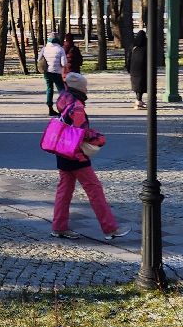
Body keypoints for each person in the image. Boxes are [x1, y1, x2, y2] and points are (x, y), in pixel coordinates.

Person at [50, 72, 128, 241]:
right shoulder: (77, 106)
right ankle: (110, 228)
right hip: (76, 155)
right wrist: (99, 138)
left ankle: (58, 227)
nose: (87, 89)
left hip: (62, 152)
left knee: (64, 191)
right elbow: (81, 132)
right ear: (80, 88)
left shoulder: (64, 99)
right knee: (94, 190)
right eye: (85, 86)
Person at [38, 33, 66, 116]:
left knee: (49, 89)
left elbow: (39, 59)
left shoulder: (44, 48)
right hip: (57, 72)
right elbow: (64, 63)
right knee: (62, 90)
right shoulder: (60, 49)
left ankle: (50, 108)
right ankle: (63, 108)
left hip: (47, 72)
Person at [126, 29, 149, 110]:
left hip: (134, 69)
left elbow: (128, 58)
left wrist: (128, 68)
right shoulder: (147, 47)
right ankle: (138, 101)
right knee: (142, 86)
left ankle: (139, 100)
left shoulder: (133, 46)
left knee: (137, 86)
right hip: (143, 69)